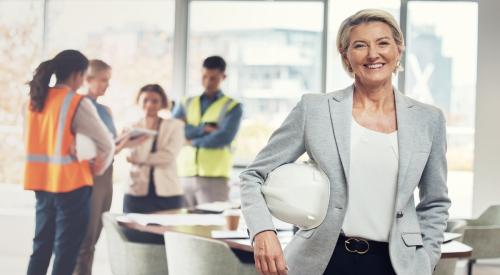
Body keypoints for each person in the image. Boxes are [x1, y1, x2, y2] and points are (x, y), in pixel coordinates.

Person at [240, 9, 450, 275]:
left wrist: (425, 261)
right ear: (346, 56)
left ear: (399, 49)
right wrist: (263, 231)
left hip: (396, 265)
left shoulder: (429, 120)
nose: (373, 54)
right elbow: (253, 175)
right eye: (360, 45)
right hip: (323, 261)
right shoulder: (314, 109)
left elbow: (435, 202)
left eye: (383, 43)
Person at [24, 50, 114, 275]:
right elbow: (107, 144)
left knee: (41, 248)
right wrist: (96, 169)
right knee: (66, 253)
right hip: (71, 186)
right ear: (77, 75)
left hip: (42, 184)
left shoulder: (36, 98)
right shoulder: (76, 101)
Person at [73, 59, 135, 275]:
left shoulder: (105, 110)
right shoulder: (79, 105)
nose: (107, 85)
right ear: (88, 79)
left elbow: (109, 144)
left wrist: (125, 141)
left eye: (108, 80)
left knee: (93, 238)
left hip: (106, 175)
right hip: (89, 175)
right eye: (103, 80)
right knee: (84, 238)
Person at [173, 56, 243, 207]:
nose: (207, 82)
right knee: (181, 226)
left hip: (215, 177)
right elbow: (175, 129)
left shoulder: (232, 106)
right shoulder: (186, 102)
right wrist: (203, 129)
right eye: (204, 77)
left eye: (213, 78)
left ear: (223, 77)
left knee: (213, 226)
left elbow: (223, 137)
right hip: (184, 175)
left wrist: (192, 139)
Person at [123, 84, 185, 213]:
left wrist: (140, 160)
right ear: (138, 101)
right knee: (133, 232)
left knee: (167, 232)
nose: (150, 105)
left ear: (162, 103)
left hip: (168, 193)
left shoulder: (175, 126)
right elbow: (135, 156)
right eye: (145, 100)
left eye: (155, 101)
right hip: (136, 192)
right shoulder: (130, 127)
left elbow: (168, 156)